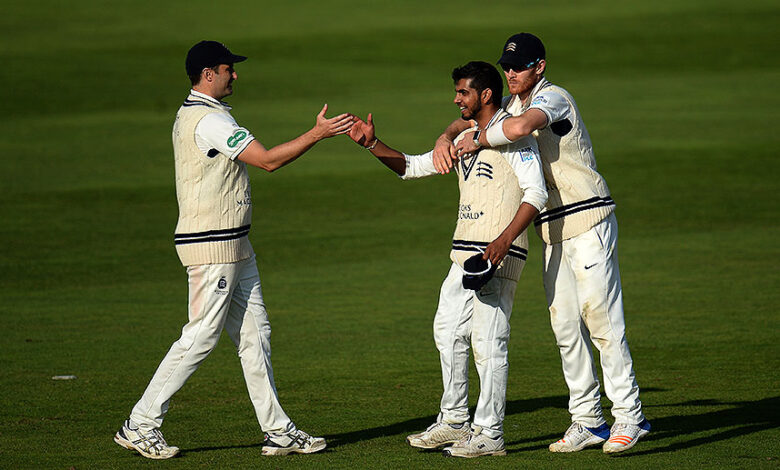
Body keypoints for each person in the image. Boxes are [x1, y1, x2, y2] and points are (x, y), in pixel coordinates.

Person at [113, 40, 353, 459]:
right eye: (228, 68)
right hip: (212, 246)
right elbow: (267, 161)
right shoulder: (208, 121)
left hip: (235, 244)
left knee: (255, 336)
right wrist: (318, 133)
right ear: (209, 74)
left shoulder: (210, 114)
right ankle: (141, 422)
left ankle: (278, 431)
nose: (235, 74)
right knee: (201, 336)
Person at [434, 33, 650, 454]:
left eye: (521, 66)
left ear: (540, 67)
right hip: (552, 230)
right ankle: (588, 419)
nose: (512, 73)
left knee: (602, 322)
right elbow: (469, 120)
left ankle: (630, 415)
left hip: (588, 218)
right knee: (566, 327)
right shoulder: (510, 103)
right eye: (508, 66)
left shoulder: (554, 99)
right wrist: (447, 137)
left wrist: (477, 139)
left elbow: (515, 128)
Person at [347, 61, 547, 458]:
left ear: (485, 95)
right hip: (463, 256)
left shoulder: (512, 136)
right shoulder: (467, 135)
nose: (456, 99)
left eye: (463, 92)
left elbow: (536, 194)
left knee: (489, 342)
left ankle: (489, 433)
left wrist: (504, 241)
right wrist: (373, 144)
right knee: (448, 331)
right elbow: (414, 167)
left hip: (497, 254)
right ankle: (455, 420)